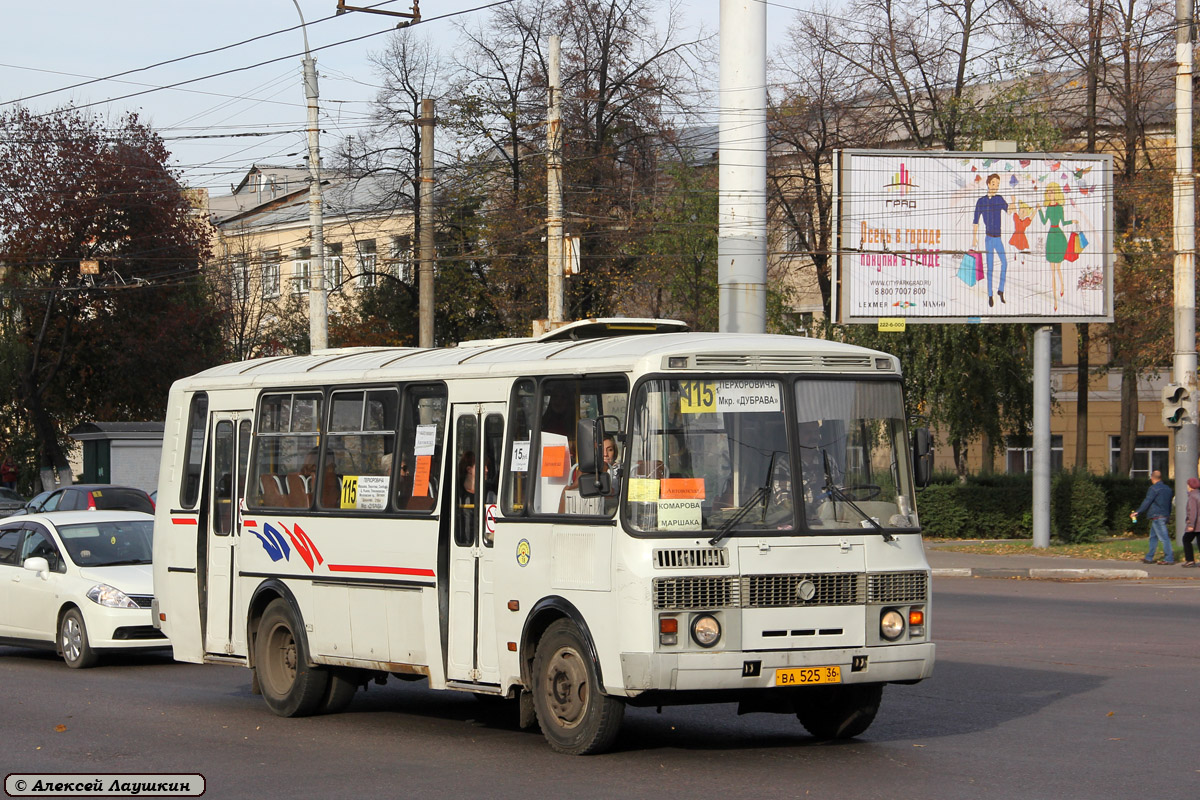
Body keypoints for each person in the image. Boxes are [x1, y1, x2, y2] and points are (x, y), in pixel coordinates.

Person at [972, 173, 1010, 308]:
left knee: (1004, 263)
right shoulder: (981, 201)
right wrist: (974, 237)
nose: (996, 187)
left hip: (998, 238)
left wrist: (1014, 202)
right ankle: (990, 294)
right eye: (994, 184)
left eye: (998, 185)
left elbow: (1009, 211)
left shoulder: (999, 199)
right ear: (988, 184)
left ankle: (1001, 290)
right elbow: (975, 221)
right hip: (988, 238)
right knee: (990, 268)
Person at [1037, 182, 1075, 312]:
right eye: (1048, 192)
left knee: (1058, 268)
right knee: (1052, 271)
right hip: (1051, 237)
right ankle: (1055, 301)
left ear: (1057, 193)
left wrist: (1073, 221)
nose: (1050, 194)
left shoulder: (1059, 208)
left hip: (1058, 236)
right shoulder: (1048, 208)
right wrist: (1039, 211)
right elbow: (1043, 221)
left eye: (1052, 191)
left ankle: (1062, 287)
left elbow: (1063, 222)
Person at [1133, 470, 1174, 564]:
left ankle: (1169, 558)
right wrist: (1168, 515)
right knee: (1153, 537)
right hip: (1164, 515)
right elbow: (1169, 504)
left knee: (1164, 538)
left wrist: (1138, 512)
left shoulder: (1153, 489)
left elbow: (1147, 501)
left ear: (1152, 478)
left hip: (1156, 516)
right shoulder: (1168, 488)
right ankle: (1149, 557)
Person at [1182, 477, 1200, 568]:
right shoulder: (1198, 494)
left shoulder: (1192, 497)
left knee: (1186, 539)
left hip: (1196, 525)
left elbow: (1193, 512)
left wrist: (1191, 525)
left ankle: (1190, 560)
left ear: (1190, 486)